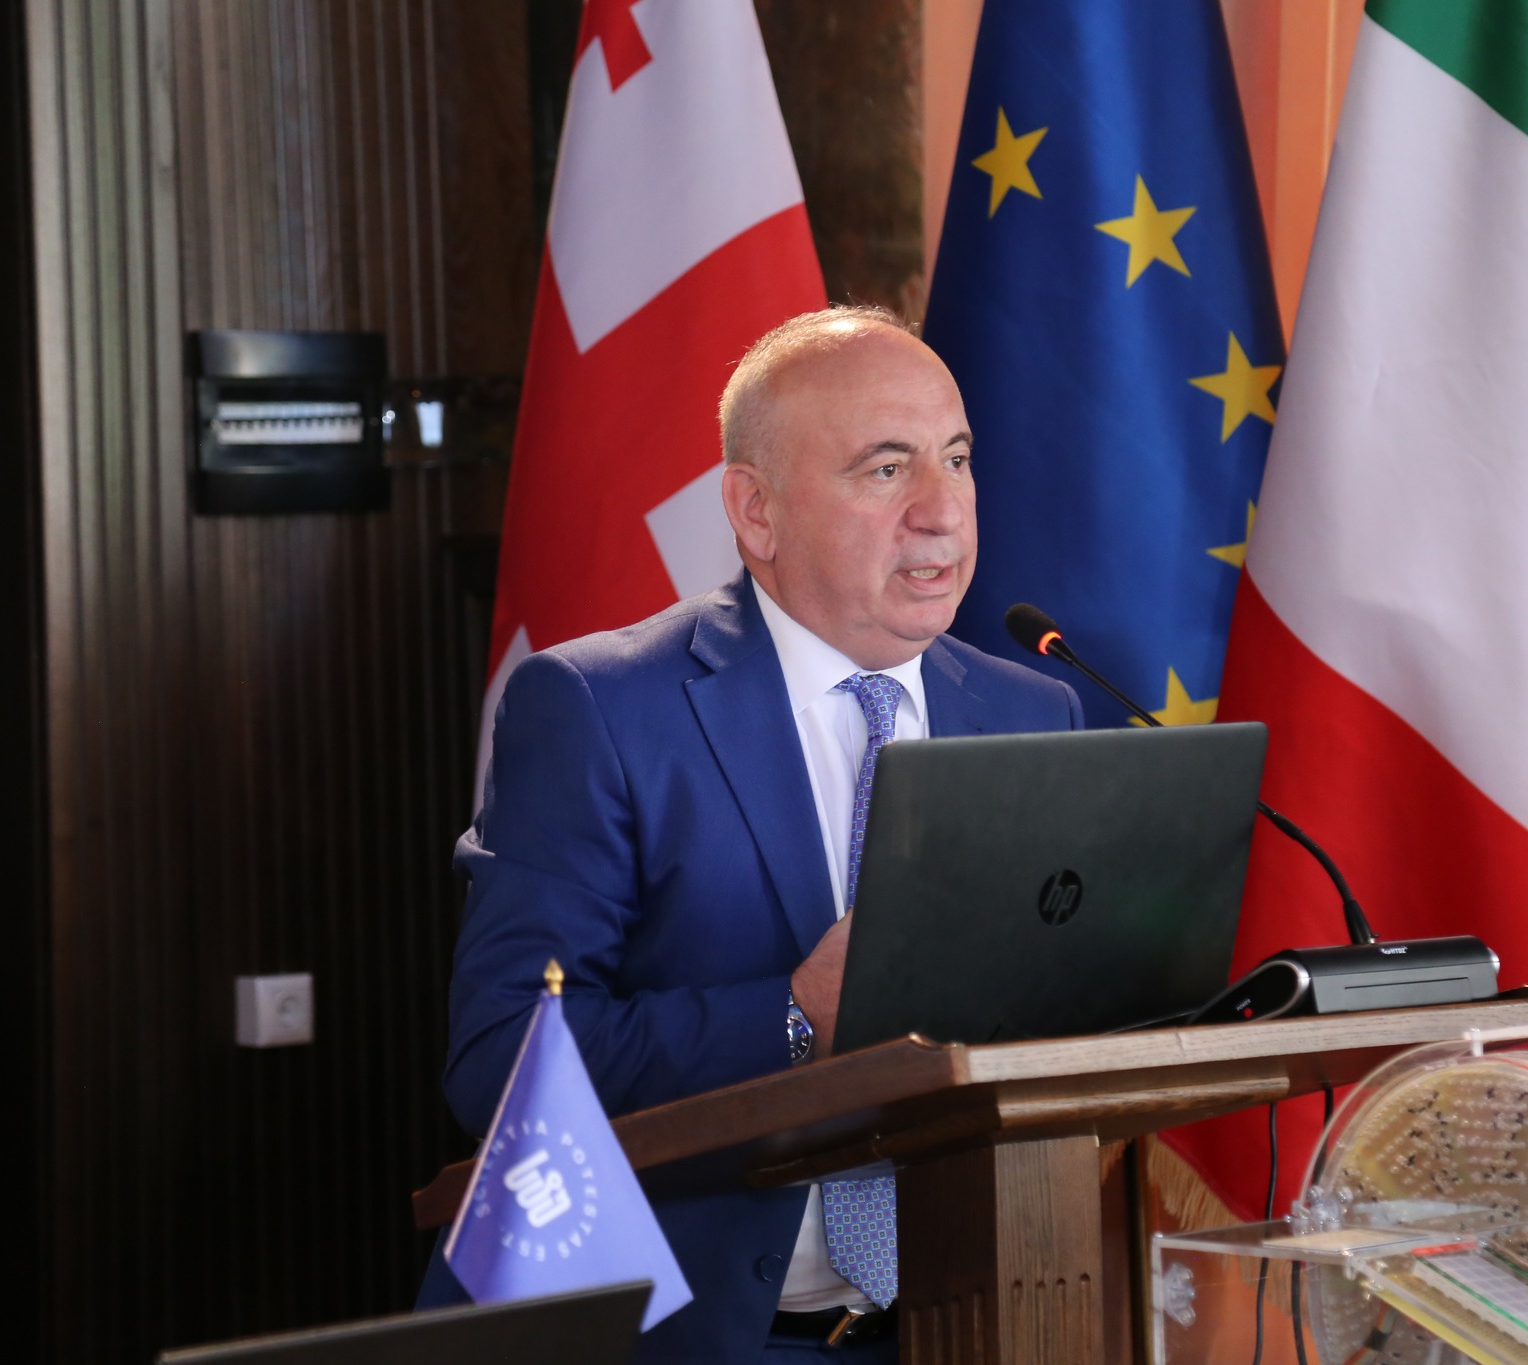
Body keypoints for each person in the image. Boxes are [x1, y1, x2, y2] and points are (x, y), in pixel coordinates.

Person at [421, 307, 1083, 1360]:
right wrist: (792, 1017)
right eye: (886, 469)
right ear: (756, 510)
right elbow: (502, 1061)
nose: (941, 510)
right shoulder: (600, 709)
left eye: (956, 459)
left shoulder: (1034, 712)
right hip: (695, 1336)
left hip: (968, 1326)